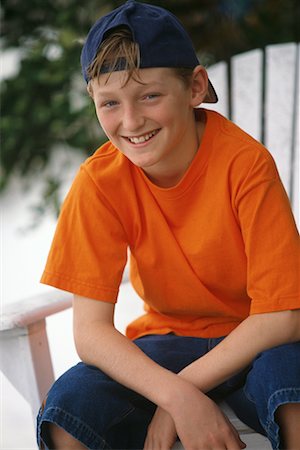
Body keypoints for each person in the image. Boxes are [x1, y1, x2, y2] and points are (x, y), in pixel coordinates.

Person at [37, 1, 300, 449]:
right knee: (70, 405)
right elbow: (91, 332)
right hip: (169, 341)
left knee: (291, 385)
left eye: (150, 95)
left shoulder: (244, 165)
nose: (132, 121)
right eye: (110, 103)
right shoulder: (100, 183)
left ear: (195, 87)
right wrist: (176, 395)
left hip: (256, 344)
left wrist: (183, 390)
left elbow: (282, 318)